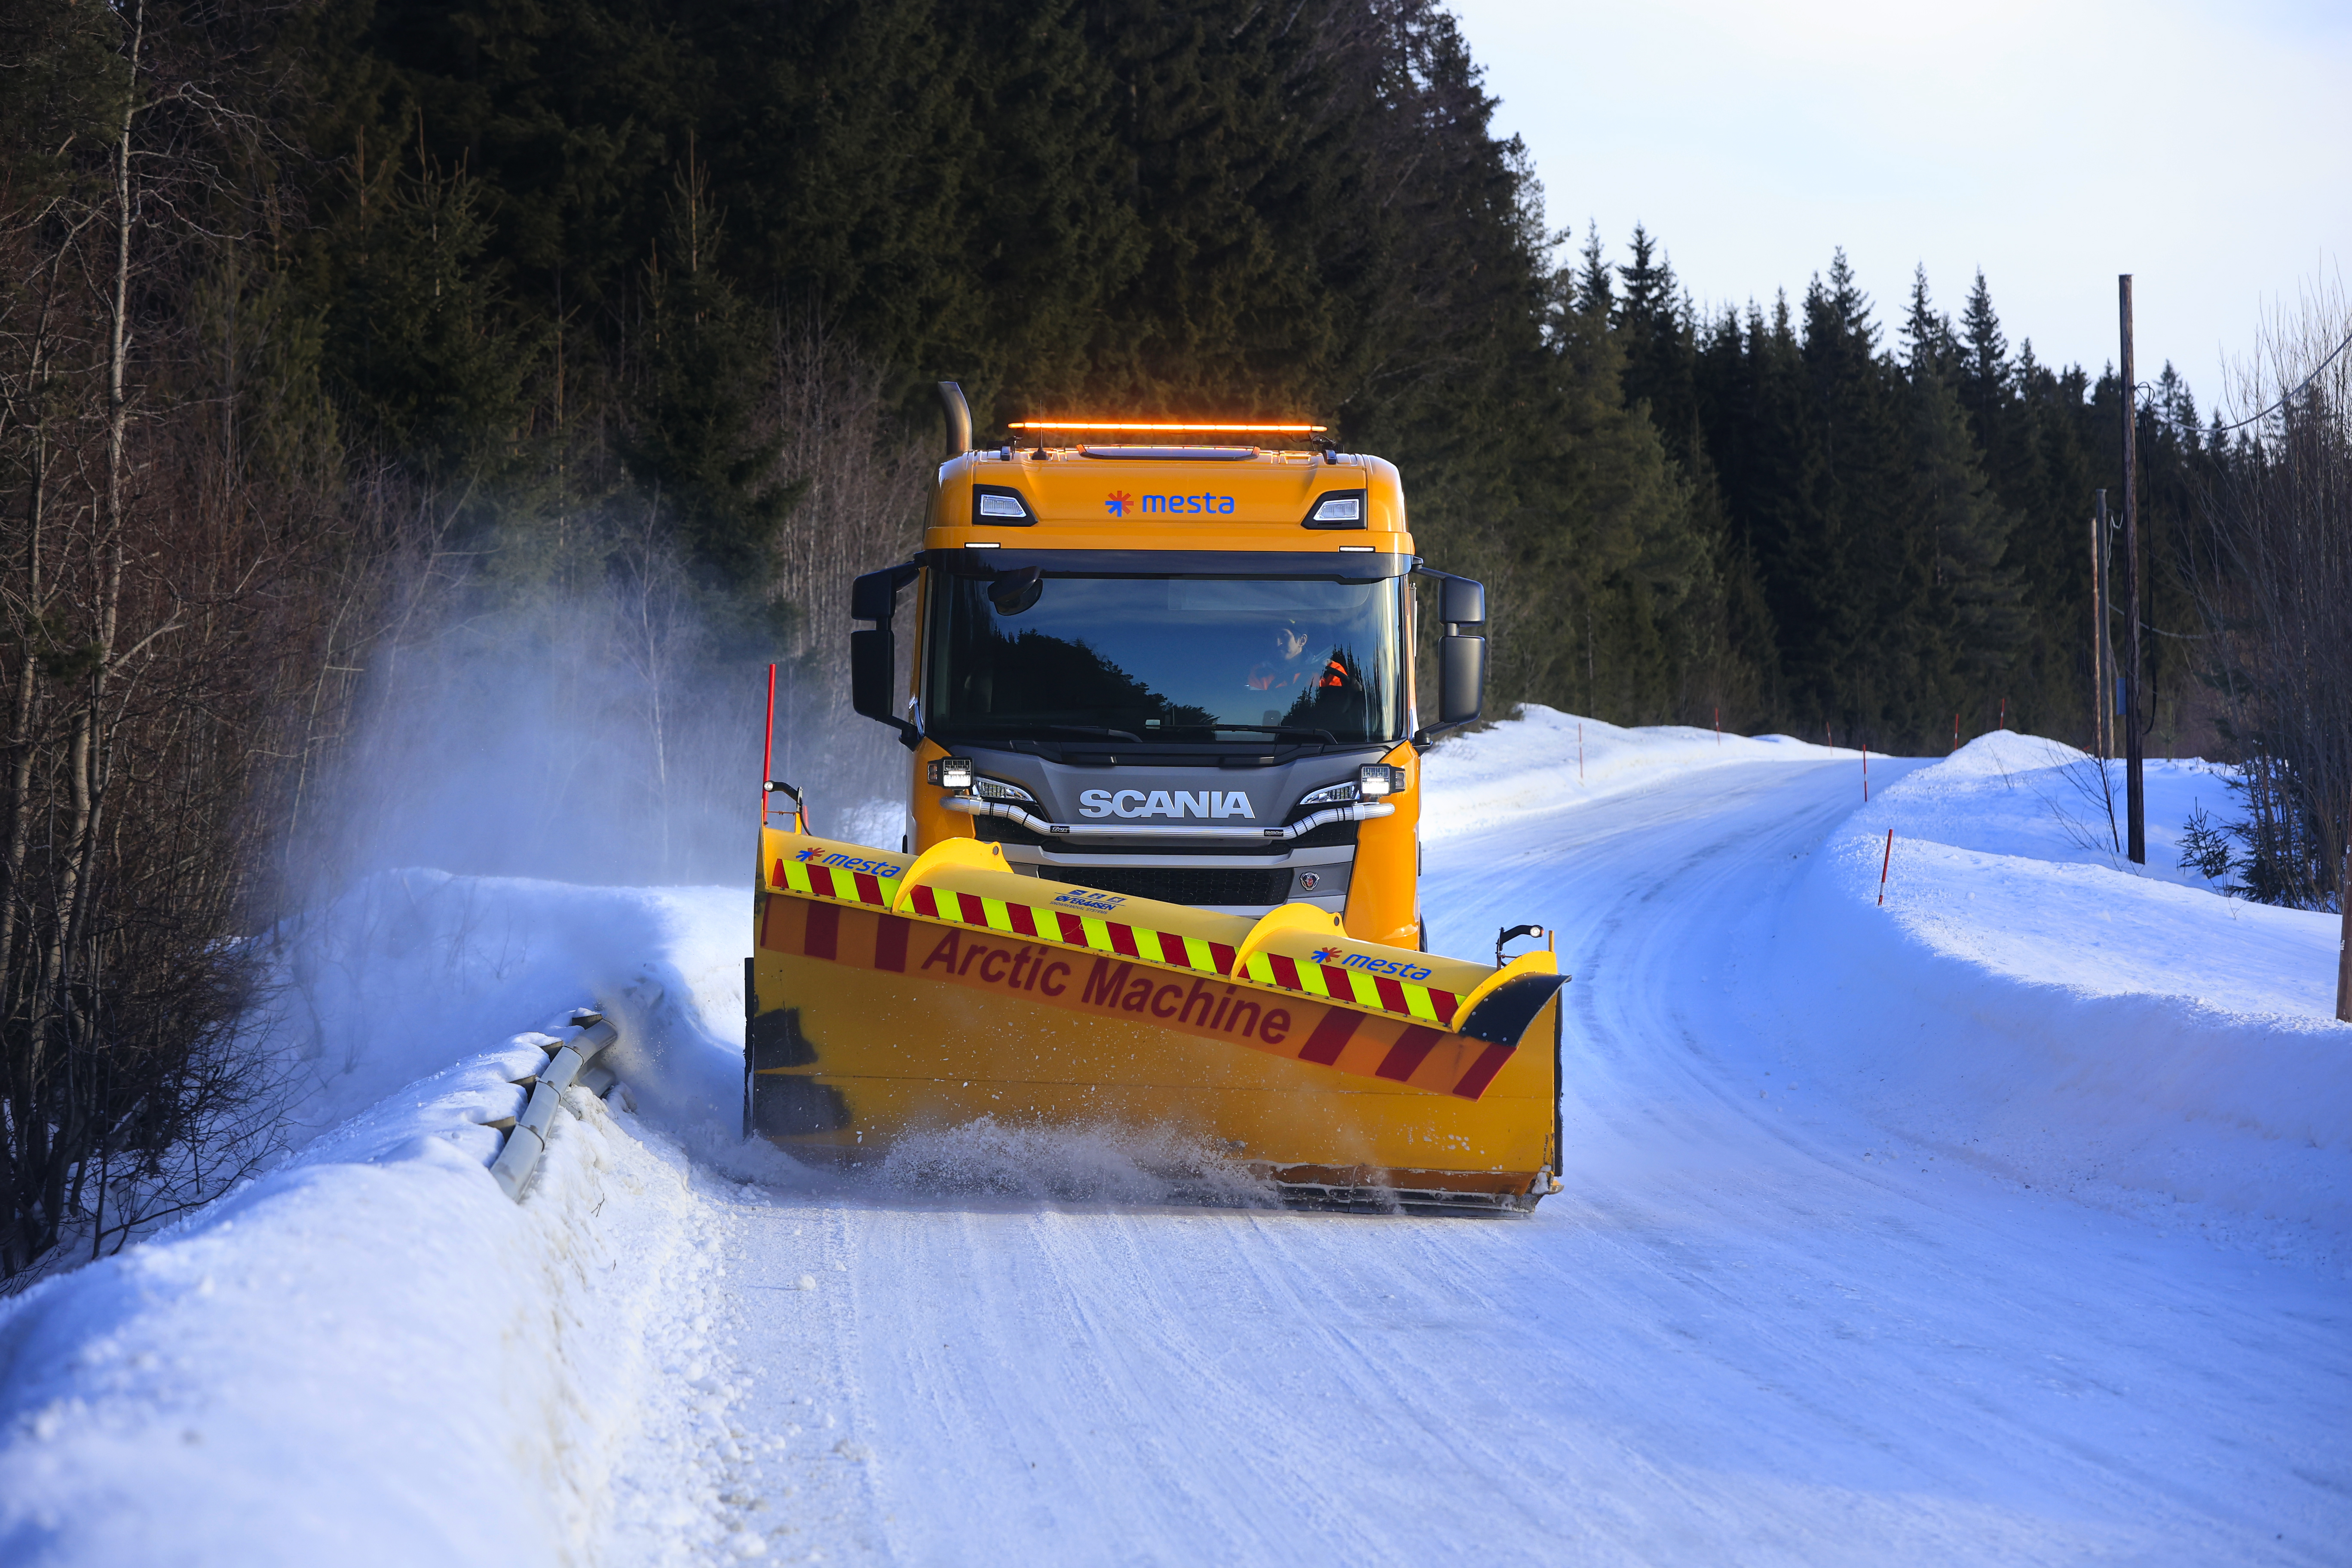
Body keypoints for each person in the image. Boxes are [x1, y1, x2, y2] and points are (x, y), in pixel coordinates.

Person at [1246, 620, 1349, 692]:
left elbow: (1337, 710)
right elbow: (1254, 710)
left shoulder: (1330, 671)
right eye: (1273, 637)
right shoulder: (1260, 673)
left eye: (1284, 636)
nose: (1277, 643)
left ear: (1302, 641)